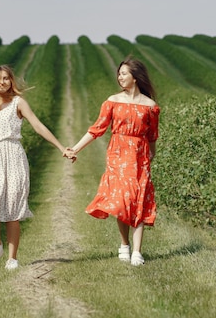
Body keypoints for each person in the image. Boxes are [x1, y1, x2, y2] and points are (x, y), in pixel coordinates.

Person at [0, 65, 74, 270]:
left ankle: (12, 258)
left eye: (6, 78)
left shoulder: (18, 103)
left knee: (13, 208)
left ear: (11, 81)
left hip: (14, 155)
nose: (3, 82)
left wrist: (61, 147)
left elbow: (38, 125)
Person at [68, 57, 160, 266]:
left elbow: (153, 135)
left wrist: (150, 156)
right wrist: (76, 148)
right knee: (122, 200)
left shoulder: (151, 106)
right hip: (118, 156)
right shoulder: (113, 101)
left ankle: (137, 251)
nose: (119, 77)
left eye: (124, 73)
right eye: (119, 74)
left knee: (138, 199)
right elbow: (97, 129)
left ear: (135, 77)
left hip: (140, 157)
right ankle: (125, 244)